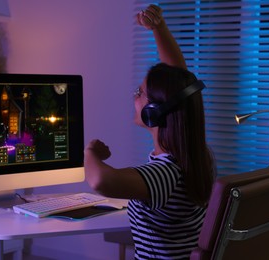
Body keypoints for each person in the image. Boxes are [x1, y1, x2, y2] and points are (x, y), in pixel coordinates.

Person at [83, 4, 215, 259]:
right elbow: (181, 85)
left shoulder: (164, 174)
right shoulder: (198, 157)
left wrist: (91, 153)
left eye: (139, 93)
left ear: (154, 112)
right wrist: (158, 28)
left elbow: (100, 180)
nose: (134, 98)